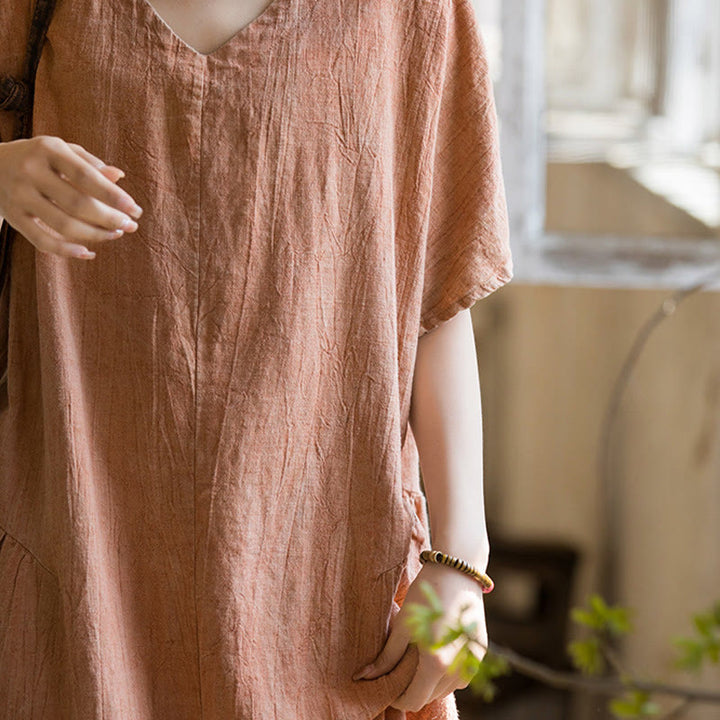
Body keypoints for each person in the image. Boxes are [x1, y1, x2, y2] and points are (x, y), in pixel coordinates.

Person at [0, 0, 514, 716]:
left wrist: (460, 563)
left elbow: (435, 285)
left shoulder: (410, 12)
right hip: (74, 544)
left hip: (327, 572)